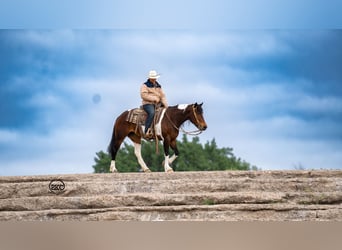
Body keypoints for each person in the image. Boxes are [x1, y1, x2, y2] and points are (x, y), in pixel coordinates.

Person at [140, 70, 168, 139]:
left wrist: (166, 105)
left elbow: (162, 96)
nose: (154, 79)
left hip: (158, 104)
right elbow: (143, 95)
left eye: (154, 78)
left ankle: (160, 130)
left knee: (165, 113)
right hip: (148, 104)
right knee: (152, 113)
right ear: (149, 78)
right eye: (152, 78)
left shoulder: (158, 86)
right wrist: (154, 98)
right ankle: (146, 130)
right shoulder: (145, 85)